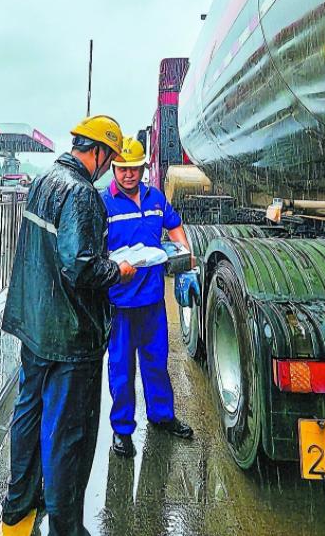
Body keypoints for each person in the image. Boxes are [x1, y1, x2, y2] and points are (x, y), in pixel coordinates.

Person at [0, 115, 137, 536]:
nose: (109, 166)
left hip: (35, 324)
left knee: (29, 413)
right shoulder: (81, 193)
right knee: (69, 436)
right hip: (69, 335)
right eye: (110, 158)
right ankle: (66, 526)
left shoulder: (44, 180)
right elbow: (80, 266)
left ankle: (19, 500)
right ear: (99, 152)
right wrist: (118, 270)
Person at [100, 137, 194, 458]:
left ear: (143, 168)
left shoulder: (156, 198)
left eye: (134, 168)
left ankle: (162, 416)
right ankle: (122, 429)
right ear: (114, 168)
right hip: (120, 303)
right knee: (122, 369)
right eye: (122, 169)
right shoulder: (104, 203)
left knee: (156, 363)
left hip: (153, 301)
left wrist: (184, 254)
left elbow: (174, 225)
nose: (128, 174)